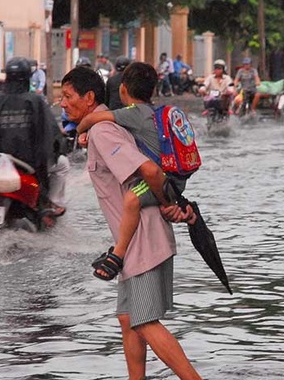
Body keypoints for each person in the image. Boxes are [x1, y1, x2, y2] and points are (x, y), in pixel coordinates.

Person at [60, 65, 202, 380]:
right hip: (135, 239)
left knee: (144, 321)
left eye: (67, 96)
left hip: (142, 240)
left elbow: (150, 172)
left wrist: (167, 204)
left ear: (89, 98)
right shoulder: (112, 123)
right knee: (128, 318)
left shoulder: (104, 130)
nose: (61, 103)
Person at [76, 61, 197, 280]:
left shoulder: (132, 113)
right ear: (154, 90)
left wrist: (81, 130)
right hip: (176, 178)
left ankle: (118, 254)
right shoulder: (152, 113)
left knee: (132, 199)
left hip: (163, 180)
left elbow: (92, 118)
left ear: (123, 89)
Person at [0, 57, 62, 214]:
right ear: (27, 78)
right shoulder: (35, 100)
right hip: (29, 163)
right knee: (63, 165)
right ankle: (48, 204)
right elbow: (50, 131)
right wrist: (59, 146)